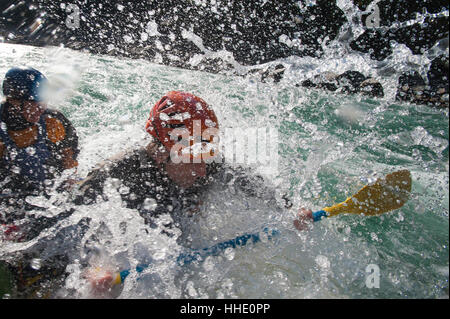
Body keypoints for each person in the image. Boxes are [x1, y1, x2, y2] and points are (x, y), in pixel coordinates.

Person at [72, 90, 304, 295]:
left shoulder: (207, 163)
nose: (203, 171)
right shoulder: (118, 172)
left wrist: (291, 210)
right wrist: (93, 268)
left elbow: (252, 184)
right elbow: (75, 220)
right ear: (161, 153)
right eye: (193, 160)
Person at [0, 67, 80, 298]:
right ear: (14, 101)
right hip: (10, 201)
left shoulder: (55, 123)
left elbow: (69, 170)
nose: (41, 108)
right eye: (34, 103)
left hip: (46, 196)